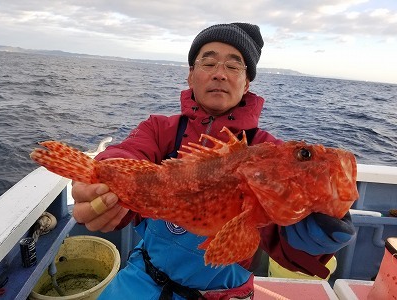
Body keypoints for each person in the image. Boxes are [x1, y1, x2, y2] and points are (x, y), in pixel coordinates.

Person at [71, 23, 356, 299]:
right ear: (191, 75)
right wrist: (103, 175)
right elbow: (129, 152)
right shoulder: (160, 130)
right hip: (143, 275)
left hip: (223, 291)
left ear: (247, 84)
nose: (220, 74)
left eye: (233, 66)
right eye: (208, 63)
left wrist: (316, 239)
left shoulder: (267, 149)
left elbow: (289, 250)